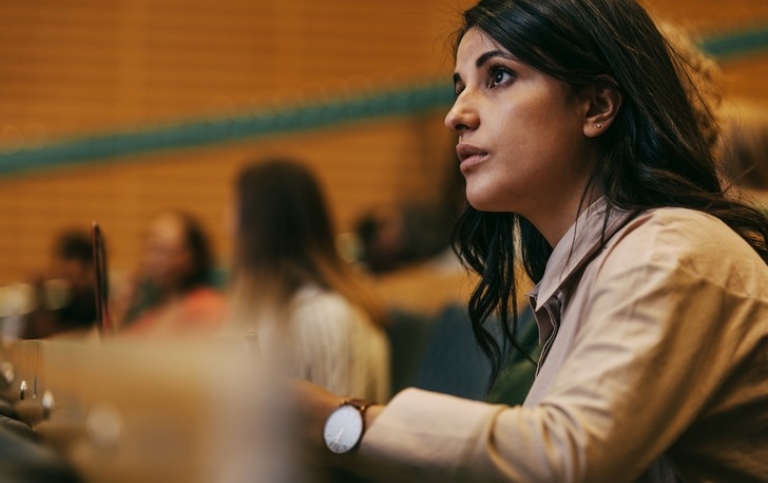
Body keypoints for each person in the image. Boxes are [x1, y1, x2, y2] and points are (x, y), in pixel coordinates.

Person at [295, 0, 768, 481]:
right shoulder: (599, 264)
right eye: (459, 88)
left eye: (497, 76)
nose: (455, 115)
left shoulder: (669, 251)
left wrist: (333, 419)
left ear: (596, 106)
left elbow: (566, 458)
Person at [228, 158, 390, 403]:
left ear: (259, 226)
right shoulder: (272, 311)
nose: (228, 226)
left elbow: (337, 435)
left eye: (235, 211)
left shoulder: (325, 317)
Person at [115, 209, 227, 338]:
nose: (151, 258)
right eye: (149, 246)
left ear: (190, 257)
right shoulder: (148, 305)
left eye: (163, 249)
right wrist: (118, 311)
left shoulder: (206, 306)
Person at [20, 229, 98, 339]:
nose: (61, 268)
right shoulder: (58, 296)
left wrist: (39, 298)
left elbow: (54, 336)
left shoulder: (90, 302)